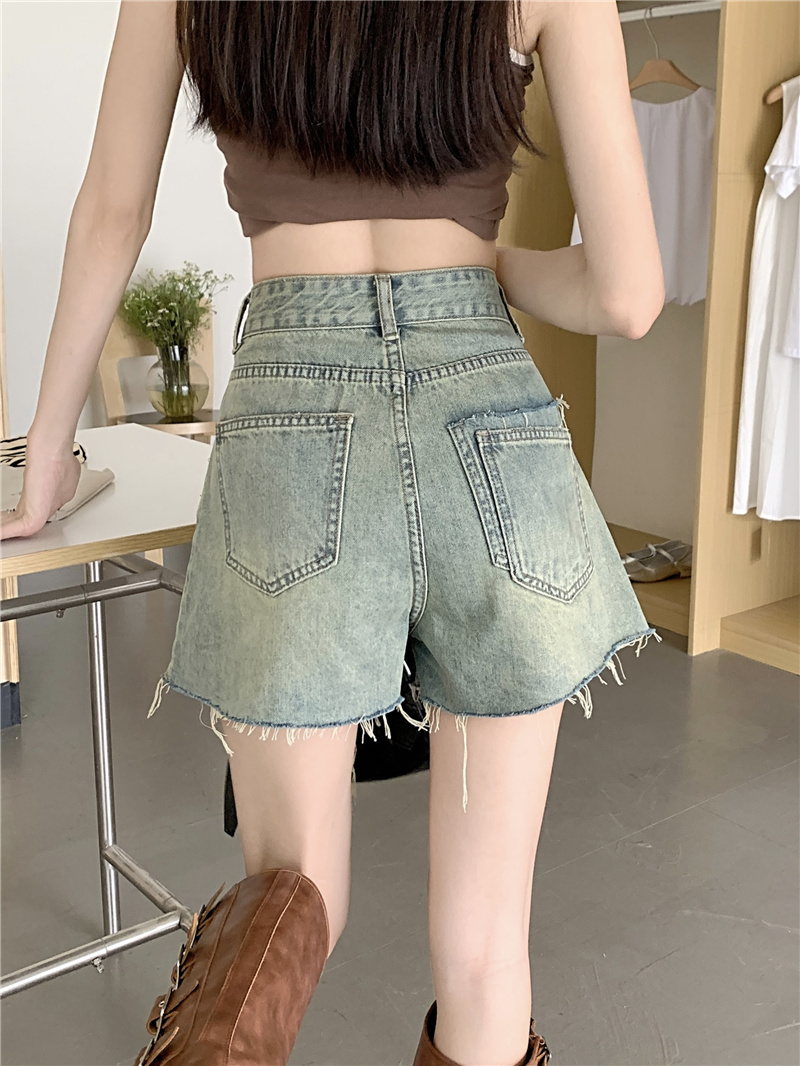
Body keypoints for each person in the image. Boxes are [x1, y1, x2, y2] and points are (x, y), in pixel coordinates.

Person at [1, 2, 664, 1064]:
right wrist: (483, 271)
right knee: (484, 945)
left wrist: (47, 448)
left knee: (289, 902)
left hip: (291, 414)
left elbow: (113, 211)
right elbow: (627, 296)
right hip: (492, 418)